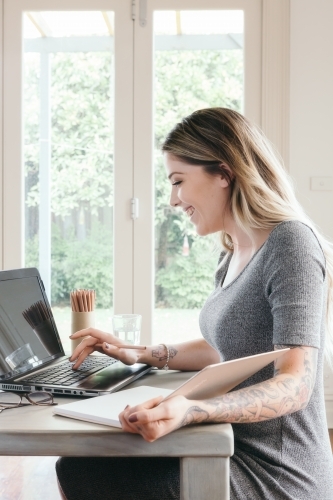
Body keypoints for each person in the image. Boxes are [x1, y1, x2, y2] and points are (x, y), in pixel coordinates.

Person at [56, 108, 333, 500]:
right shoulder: (233, 249)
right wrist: (137, 352)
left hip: (279, 473)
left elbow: (296, 385)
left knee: (89, 473)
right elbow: (228, 347)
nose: (173, 200)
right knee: (82, 464)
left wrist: (191, 409)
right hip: (226, 442)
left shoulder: (291, 245)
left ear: (224, 172)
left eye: (178, 181)